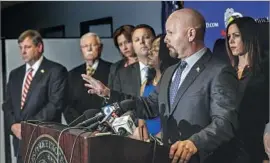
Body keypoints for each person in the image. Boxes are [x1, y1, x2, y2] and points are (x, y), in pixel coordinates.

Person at [81, 8, 239, 163]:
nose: (165, 39)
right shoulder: (170, 72)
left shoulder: (219, 72)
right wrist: (108, 93)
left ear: (191, 34)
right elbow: (149, 105)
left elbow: (225, 123)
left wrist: (195, 143)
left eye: (170, 33)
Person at [2, 29, 68, 163]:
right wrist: (13, 125)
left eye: (27, 47)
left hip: (44, 141)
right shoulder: (15, 74)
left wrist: (28, 127)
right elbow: (7, 104)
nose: (23, 52)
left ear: (39, 47)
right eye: (20, 48)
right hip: (20, 142)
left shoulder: (55, 71)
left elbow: (55, 105)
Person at [225, 17, 269, 163]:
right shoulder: (225, 73)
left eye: (236, 36)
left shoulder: (265, 70)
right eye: (229, 37)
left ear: (248, 36)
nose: (231, 41)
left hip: (257, 146)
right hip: (230, 147)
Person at [63, 32, 111, 124]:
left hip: (105, 126)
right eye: (85, 46)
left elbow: (114, 100)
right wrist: (78, 125)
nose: (89, 49)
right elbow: (67, 106)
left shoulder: (112, 70)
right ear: (81, 50)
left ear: (100, 48)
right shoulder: (72, 74)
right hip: (79, 127)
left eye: (93, 45)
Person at [108, 25, 137, 89]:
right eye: (120, 44)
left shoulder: (146, 63)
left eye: (127, 42)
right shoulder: (115, 67)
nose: (124, 48)